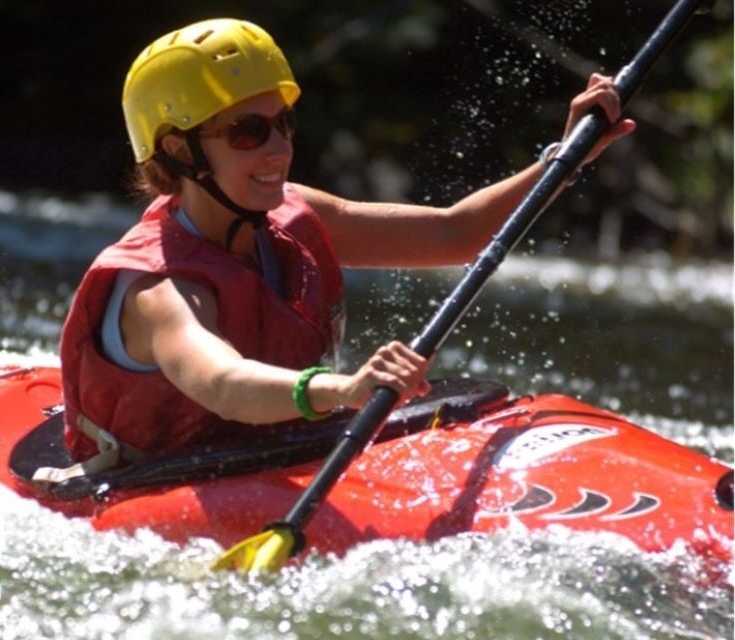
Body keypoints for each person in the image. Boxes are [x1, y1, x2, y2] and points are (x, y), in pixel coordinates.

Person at [54, 18, 635, 475]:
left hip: (274, 453)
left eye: (282, 124)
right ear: (180, 152)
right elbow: (224, 385)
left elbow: (455, 233)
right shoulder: (157, 290)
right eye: (247, 133)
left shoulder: (294, 213)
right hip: (150, 483)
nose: (277, 149)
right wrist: (346, 389)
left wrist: (566, 157)